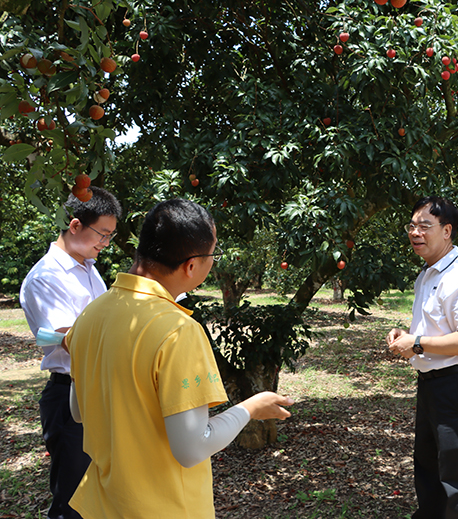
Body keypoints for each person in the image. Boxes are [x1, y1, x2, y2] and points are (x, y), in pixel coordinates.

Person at [65, 199, 294, 519]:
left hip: (104, 505)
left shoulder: (90, 315)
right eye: (212, 255)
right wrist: (250, 408)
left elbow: (78, 410)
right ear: (191, 265)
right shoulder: (177, 331)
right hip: (163, 508)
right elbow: (192, 448)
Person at [19, 186, 122, 519]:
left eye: (110, 236)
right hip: (70, 396)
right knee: (73, 502)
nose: (105, 243)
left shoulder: (89, 269)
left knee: (103, 492)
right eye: (102, 234)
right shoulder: (46, 277)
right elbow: (67, 337)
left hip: (100, 393)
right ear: (75, 225)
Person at [385, 196, 458, 519]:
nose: (416, 232)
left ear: (447, 231)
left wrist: (417, 344)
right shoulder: (428, 274)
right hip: (432, 384)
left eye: (425, 226)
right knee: (429, 469)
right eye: (412, 226)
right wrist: (408, 337)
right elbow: (436, 329)